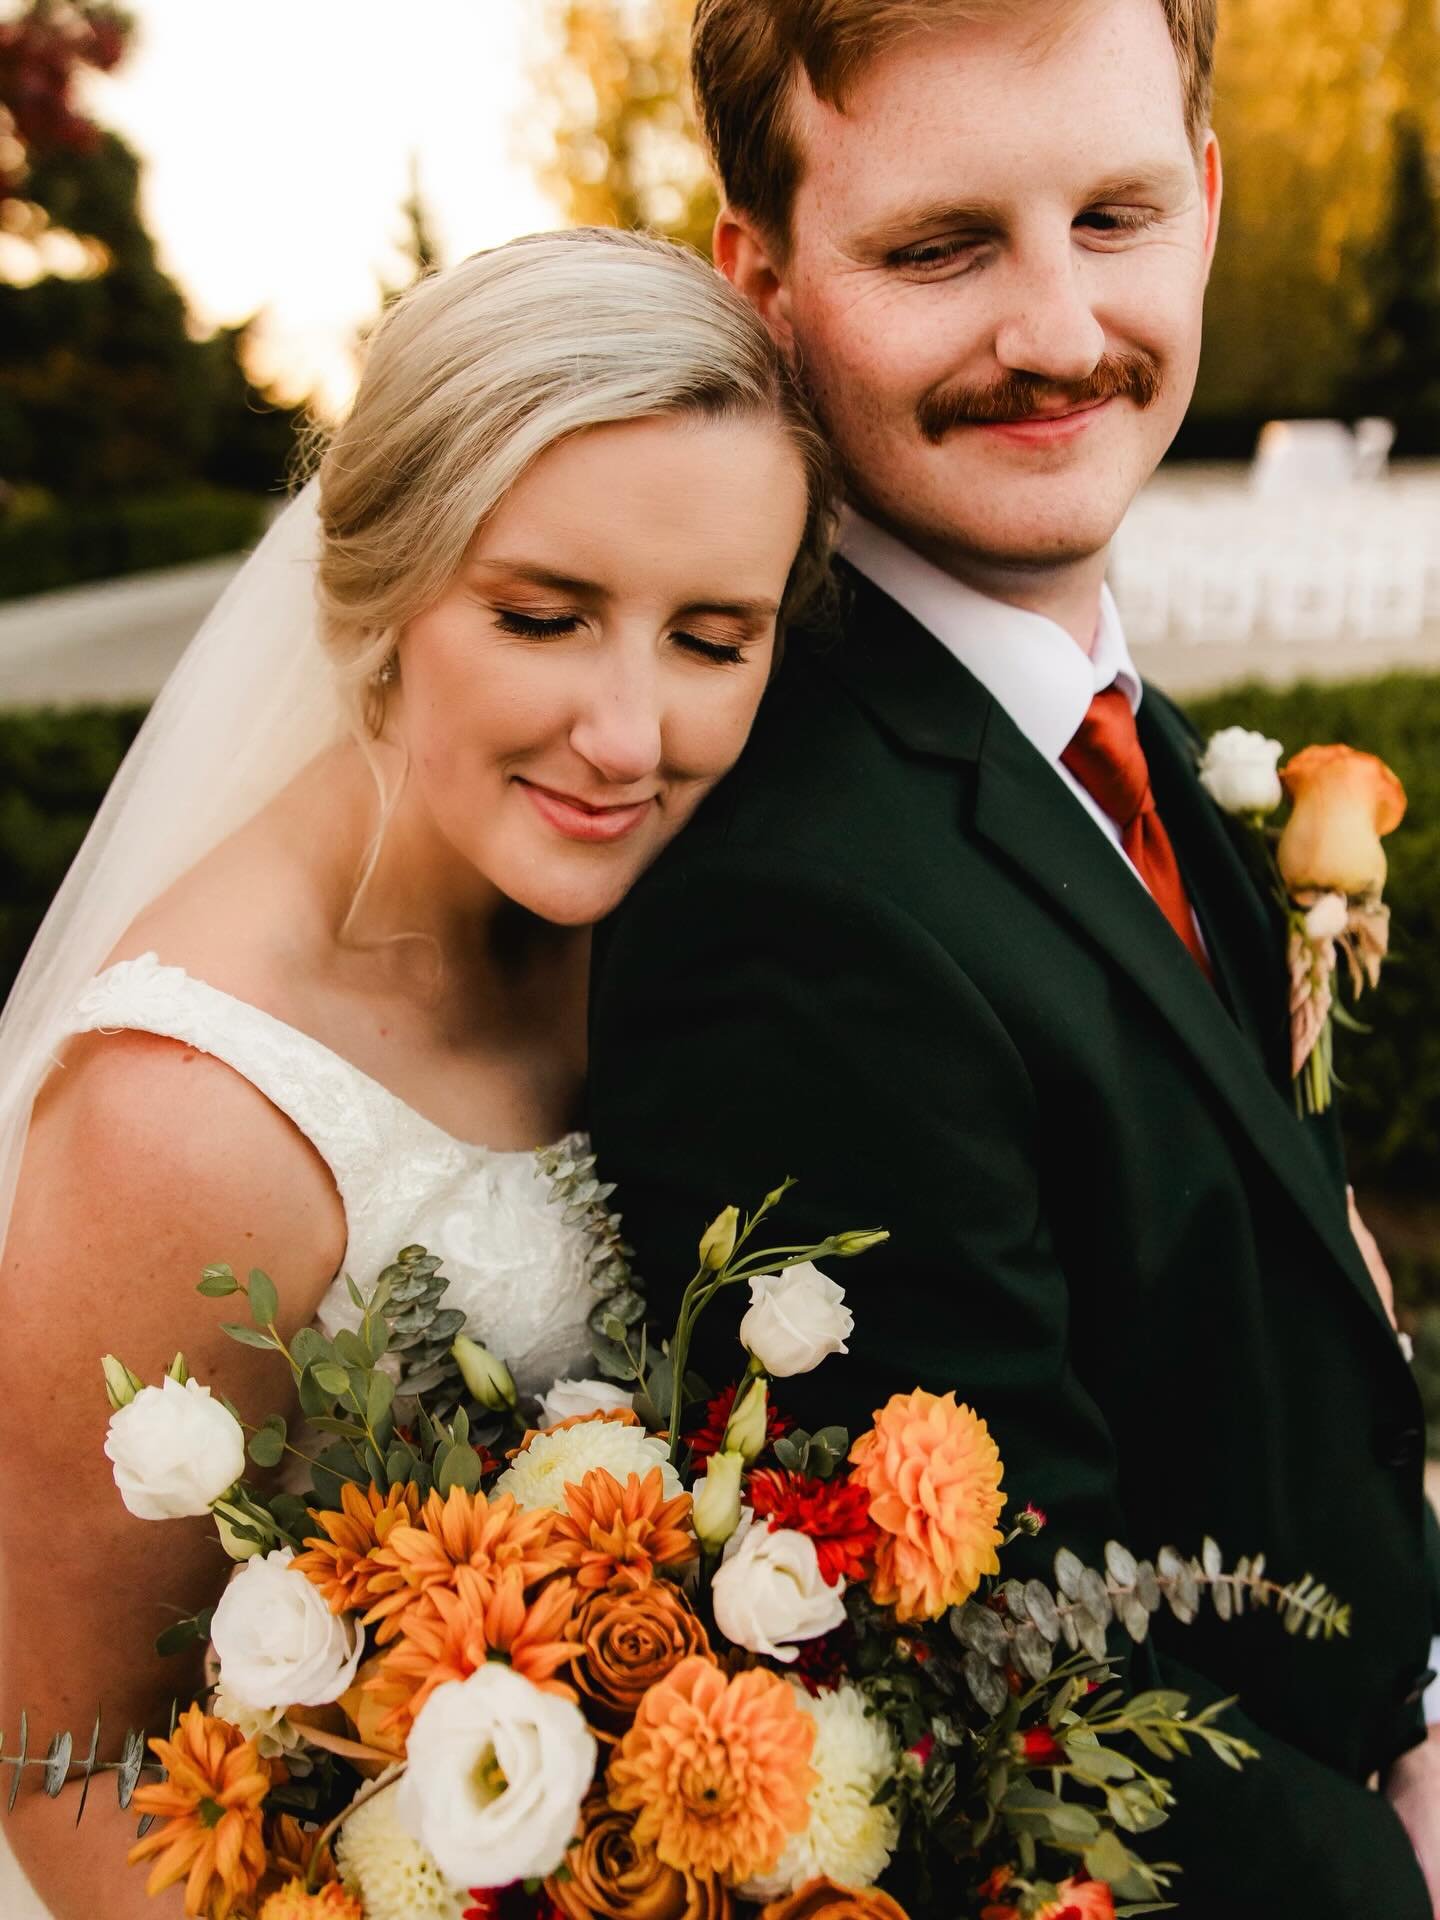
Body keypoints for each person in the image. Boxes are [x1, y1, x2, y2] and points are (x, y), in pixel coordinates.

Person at [587, 4, 1440, 1914]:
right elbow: (1011, 1725)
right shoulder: (791, 914)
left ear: (1208, 205)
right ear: (767, 281)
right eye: (940, 248)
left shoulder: (1112, 742)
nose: (1059, 332)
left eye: (1117, 217)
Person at [0, 226, 831, 1919]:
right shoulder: (189, 1109)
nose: (628, 734)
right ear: (371, 587)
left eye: (712, 638)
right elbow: (54, 1766)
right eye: (545, 616)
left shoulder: (679, 910)